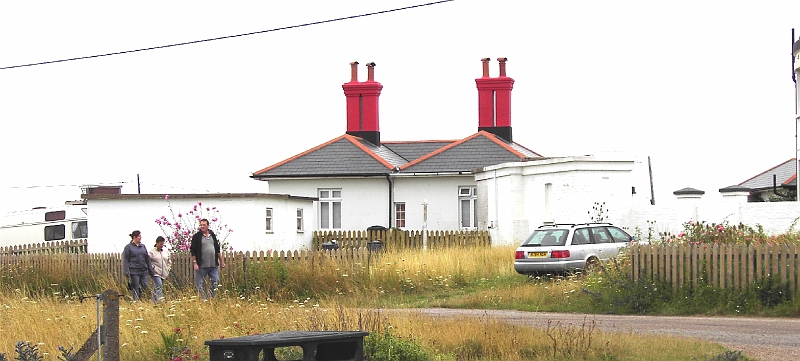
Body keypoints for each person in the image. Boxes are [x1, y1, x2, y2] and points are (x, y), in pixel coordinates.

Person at [190, 218, 225, 299]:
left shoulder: (212, 235)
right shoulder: (197, 237)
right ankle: (203, 299)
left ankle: (210, 297)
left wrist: (222, 261)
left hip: (213, 265)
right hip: (202, 265)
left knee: (216, 281)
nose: (202, 226)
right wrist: (195, 263)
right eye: (201, 225)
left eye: (204, 225)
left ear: (208, 226)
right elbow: (193, 250)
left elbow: (217, 249)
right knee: (200, 283)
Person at [122, 230, 154, 301]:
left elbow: (147, 258)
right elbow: (125, 259)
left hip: (143, 270)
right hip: (133, 270)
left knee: (145, 285)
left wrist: (150, 269)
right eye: (139, 236)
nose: (140, 237)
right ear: (134, 237)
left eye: (140, 236)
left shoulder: (143, 246)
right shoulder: (128, 247)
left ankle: (138, 297)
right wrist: (126, 271)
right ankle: (136, 301)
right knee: (135, 286)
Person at [148, 236, 171, 302]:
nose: (162, 245)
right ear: (157, 243)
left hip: (164, 273)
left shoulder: (166, 251)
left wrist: (168, 269)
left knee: (156, 287)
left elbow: (169, 261)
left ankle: (153, 302)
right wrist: (152, 268)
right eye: (160, 244)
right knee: (159, 285)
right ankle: (160, 300)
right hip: (155, 272)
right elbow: (148, 261)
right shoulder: (152, 251)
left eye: (162, 244)